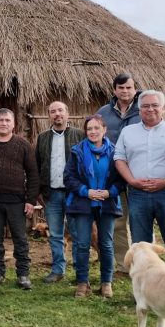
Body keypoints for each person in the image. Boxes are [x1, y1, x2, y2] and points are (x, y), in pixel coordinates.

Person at [114, 90, 165, 272]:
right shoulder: (128, 132)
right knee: (141, 247)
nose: (150, 109)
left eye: (155, 105)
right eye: (145, 106)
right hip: (138, 194)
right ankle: (146, 284)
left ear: (163, 108)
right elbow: (119, 158)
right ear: (139, 109)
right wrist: (132, 181)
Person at [0, 108, 40, 289]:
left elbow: (33, 174)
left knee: (20, 239)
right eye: (0, 120)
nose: (4, 123)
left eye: (7, 120)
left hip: (17, 201)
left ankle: (23, 274)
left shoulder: (23, 145)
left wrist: (30, 200)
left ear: (13, 124)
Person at [64, 115, 125, 298]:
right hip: (83, 203)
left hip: (107, 203)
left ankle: (106, 283)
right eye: (89, 129)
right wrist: (86, 191)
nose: (93, 132)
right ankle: (83, 283)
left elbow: (122, 178)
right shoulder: (77, 151)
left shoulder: (115, 152)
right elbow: (68, 177)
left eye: (96, 128)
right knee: (83, 244)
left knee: (106, 244)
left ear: (104, 130)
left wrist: (109, 192)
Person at [35, 101, 84, 283]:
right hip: (52, 194)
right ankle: (57, 270)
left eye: (60, 110)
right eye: (53, 111)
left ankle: (80, 271)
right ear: (49, 115)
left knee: (77, 234)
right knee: (55, 234)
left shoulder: (80, 135)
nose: (57, 114)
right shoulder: (42, 138)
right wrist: (39, 190)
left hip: (74, 194)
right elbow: (37, 165)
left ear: (67, 113)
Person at [97, 73, 141, 273]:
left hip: (139, 174)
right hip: (114, 175)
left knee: (141, 222)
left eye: (129, 87)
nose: (125, 91)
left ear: (135, 89)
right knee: (118, 222)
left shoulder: (144, 109)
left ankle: (144, 264)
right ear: (114, 90)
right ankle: (124, 265)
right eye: (121, 88)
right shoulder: (104, 112)